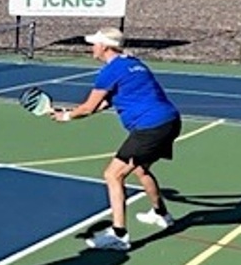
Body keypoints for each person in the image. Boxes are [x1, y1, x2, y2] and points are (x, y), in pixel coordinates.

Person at [51, 26, 182, 250]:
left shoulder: (109, 71)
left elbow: (89, 107)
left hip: (150, 127)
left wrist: (66, 116)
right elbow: (105, 103)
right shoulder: (135, 64)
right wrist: (72, 112)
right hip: (170, 121)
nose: (92, 47)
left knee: (112, 175)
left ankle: (119, 234)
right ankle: (161, 214)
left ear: (104, 47)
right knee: (141, 169)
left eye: (94, 44)